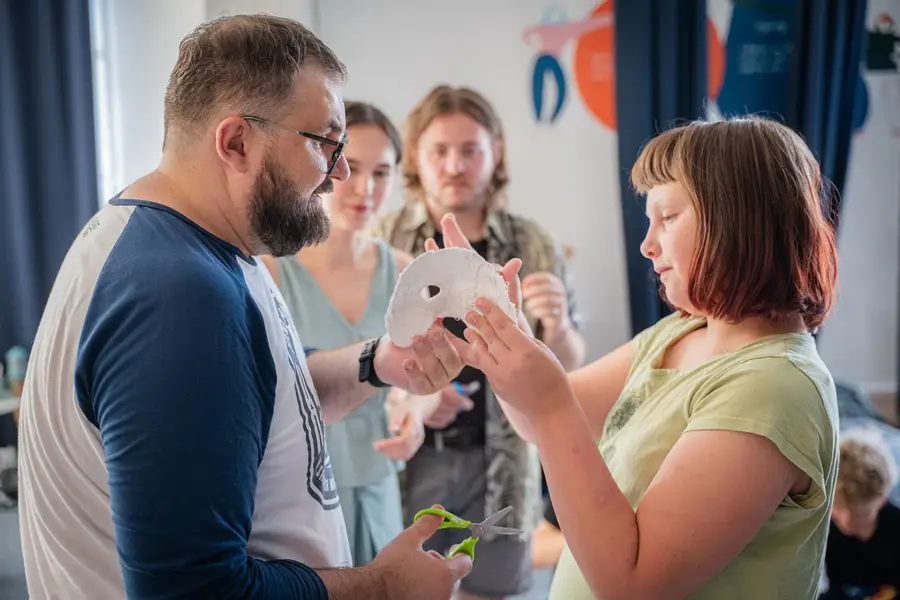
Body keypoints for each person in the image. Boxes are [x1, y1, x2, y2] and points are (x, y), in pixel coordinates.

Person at [16, 15, 472, 600]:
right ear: (235, 142)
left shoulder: (205, 247)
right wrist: (384, 586)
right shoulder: (177, 293)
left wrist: (380, 361)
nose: (340, 174)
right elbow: (194, 590)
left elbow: (262, 393)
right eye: (325, 144)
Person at [436, 116, 842, 599]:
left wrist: (549, 404)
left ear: (739, 219)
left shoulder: (772, 387)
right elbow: (539, 423)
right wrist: (502, 327)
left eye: (667, 218)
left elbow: (632, 583)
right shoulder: (682, 331)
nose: (648, 245)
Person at [371, 84, 586, 599]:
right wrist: (414, 394)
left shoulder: (533, 243)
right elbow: (362, 351)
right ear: (417, 160)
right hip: (409, 460)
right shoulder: (383, 239)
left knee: (492, 591)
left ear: (496, 152)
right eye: (439, 151)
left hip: (503, 461)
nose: (455, 165)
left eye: (470, 150)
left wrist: (554, 326)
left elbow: (572, 366)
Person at [261, 101, 437, 566]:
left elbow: (425, 377)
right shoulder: (271, 271)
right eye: (350, 167)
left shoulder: (405, 272)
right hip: (297, 495)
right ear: (321, 163)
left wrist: (414, 414)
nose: (365, 189)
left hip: (378, 487)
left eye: (382, 173)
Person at [822, 428, 900, 599]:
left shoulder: (895, 530)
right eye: (838, 510)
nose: (847, 522)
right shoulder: (828, 531)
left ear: (882, 499)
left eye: (860, 514)